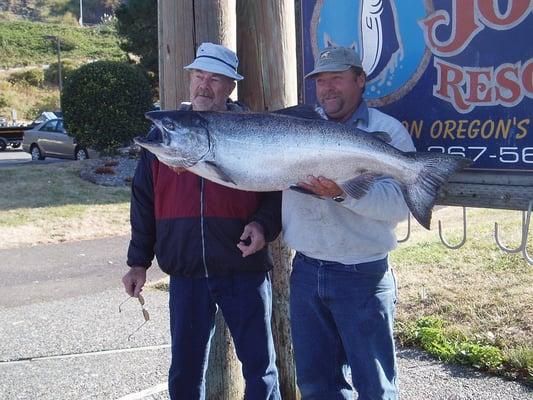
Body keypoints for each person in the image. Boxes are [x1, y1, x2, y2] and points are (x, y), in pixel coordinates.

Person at [122, 42, 281, 400]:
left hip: (244, 268)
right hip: (186, 273)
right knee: (185, 371)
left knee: (260, 368)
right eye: (198, 76)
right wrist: (137, 263)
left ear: (230, 87)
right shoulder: (162, 136)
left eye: (215, 78)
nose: (204, 85)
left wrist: (262, 226)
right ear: (190, 80)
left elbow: (274, 194)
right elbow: (143, 203)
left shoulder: (256, 130)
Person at [282, 46, 415, 400]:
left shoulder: (387, 133)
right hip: (307, 272)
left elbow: (399, 205)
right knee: (315, 385)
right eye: (321, 80)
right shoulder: (294, 128)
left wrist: (343, 193)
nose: (327, 88)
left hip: (363, 276)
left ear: (360, 80)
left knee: (375, 387)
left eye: (337, 78)